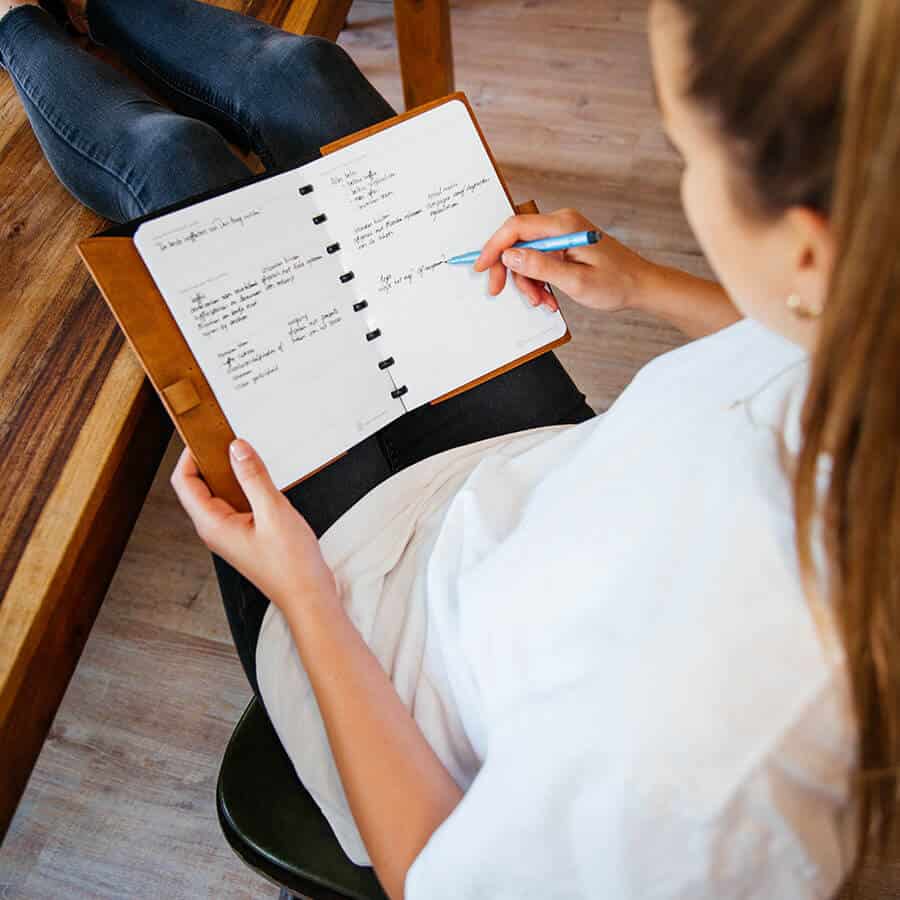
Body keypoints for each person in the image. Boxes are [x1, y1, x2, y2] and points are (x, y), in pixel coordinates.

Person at [3, 0, 897, 897]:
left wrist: (304, 596)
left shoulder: (710, 791)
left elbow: (429, 875)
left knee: (177, 167)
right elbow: (811, 360)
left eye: (690, 159)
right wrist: (648, 285)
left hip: (377, 648)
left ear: (810, 252)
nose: (688, 184)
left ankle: (15, 26)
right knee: (304, 78)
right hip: (523, 486)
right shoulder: (875, 329)